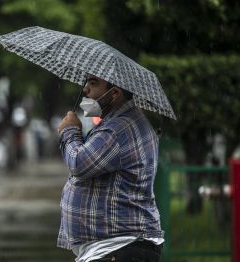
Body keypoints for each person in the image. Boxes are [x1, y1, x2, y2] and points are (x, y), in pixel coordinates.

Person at [57, 74, 164, 262]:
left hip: (118, 248)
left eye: (93, 83)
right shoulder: (122, 121)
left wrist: (69, 131)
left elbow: (79, 163)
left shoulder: (118, 129)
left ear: (114, 93)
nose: (85, 89)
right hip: (116, 247)